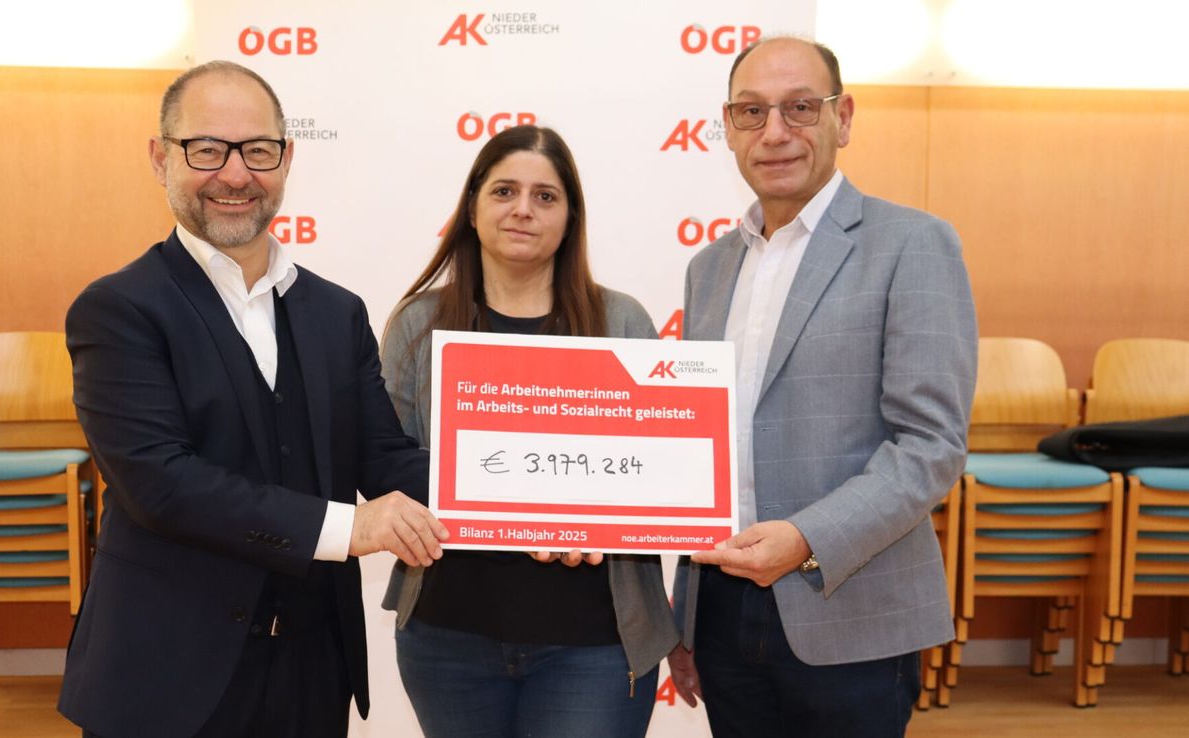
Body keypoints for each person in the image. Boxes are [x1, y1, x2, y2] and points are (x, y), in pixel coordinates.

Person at [58, 60, 448, 738]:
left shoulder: (337, 311)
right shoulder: (118, 311)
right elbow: (162, 485)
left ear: (287, 158)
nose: (236, 175)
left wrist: (521, 509)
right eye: (206, 150)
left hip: (312, 671)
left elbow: (384, 458)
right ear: (160, 158)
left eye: (258, 151)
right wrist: (347, 529)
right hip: (165, 680)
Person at [666, 37, 977, 738]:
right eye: (752, 112)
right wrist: (684, 616)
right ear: (729, 126)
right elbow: (701, 451)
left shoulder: (913, 244)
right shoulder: (709, 268)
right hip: (720, 614)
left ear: (844, 118)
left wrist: (806, 538)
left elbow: (931, 445)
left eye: (800, 107)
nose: (775, 132)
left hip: (850, 608)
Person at [379, 125, 679, 737]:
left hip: (595, 647)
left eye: (546, 196)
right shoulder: (418, 325)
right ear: (472, 206)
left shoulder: (622, 321)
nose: (523, 209)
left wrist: (593, 519)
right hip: (447, 639)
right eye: (504, 190)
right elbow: (388, 465)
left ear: (571, 217)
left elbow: (657, 476)